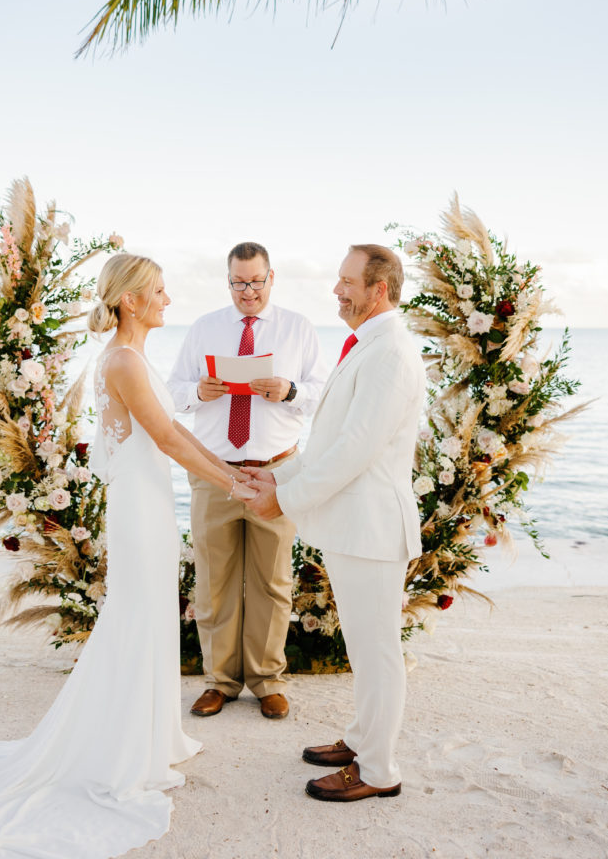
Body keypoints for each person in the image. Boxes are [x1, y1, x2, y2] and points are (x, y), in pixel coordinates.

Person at [0, 254, 256, 859]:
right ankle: (122, 750)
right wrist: (235, 482)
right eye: (157, 290)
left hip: (148, 501)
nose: (167, 298)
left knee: (148, 614)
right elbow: (170, 438)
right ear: (129, 301)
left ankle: (150, 735)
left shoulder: (133, 358)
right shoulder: (123, 361)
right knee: (135, 615)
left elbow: (174, 433)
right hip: (140, 508)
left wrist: (229, 472)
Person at [247, 244, 425, 802]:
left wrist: (287, 499)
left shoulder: (390, 353)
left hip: (372, 529)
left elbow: (355, 451)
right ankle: (360, 738)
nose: (336, 290)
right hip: (355, 526)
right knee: (364, 648)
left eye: (348, 281)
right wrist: (281, 477)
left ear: (380, 289)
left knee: (377, 651)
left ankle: (378, 770)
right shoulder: (366, 345)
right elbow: (329, 441)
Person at [168, 241, 327, 720]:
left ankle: (267, 681)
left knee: (272, 582)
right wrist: (198, 390)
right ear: (228, 281)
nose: (248, 291)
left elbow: (323, 393)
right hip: (215, 471)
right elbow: (172, 391)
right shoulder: (204, 328)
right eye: (238, 282)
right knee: (213, 582)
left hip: (276, 472)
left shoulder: (298, 329)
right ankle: (219, 682)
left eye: (256, 281)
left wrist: (289, 389)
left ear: (271, 278)